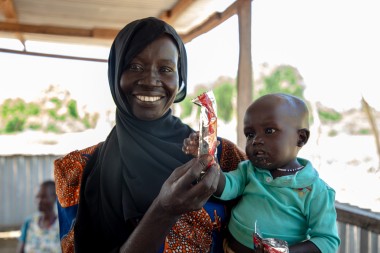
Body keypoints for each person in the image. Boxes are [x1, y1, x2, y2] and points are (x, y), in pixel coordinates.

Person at [53, 17, 247, 253]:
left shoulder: (224, 158)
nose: (150, 80)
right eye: (134, 66)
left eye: (165, 69)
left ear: (180, 78)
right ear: (115, 73)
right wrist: (163, 211)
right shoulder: (76, 170)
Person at [183, 93, 341, 253]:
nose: (256, 140)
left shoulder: (316, 191)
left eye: (270, 130)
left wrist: (286, 251)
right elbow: (225, 188)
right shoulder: (248, 169)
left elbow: (327, 241)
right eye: (250, 134)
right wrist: (207, 157)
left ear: (300, 138)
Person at [17, 180, 61, 253]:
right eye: (37, 197)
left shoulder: (62, 225)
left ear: (55, 197)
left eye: (44, 197)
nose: (39, 201)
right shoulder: (29, 223)